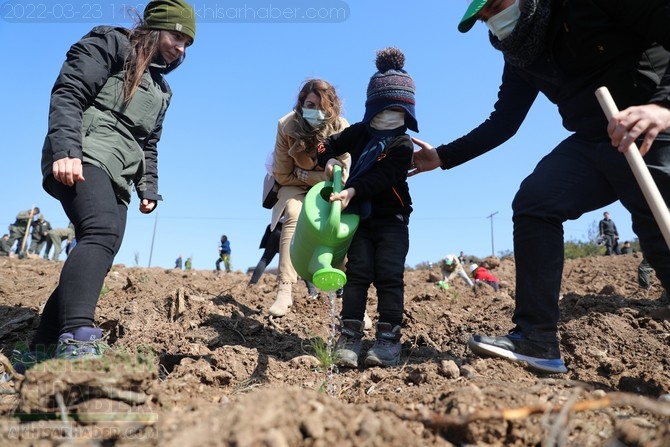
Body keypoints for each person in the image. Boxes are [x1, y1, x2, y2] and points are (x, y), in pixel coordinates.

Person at [409, 0, 670, 374]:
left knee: (657, 221)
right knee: (535, 201)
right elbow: (503, 122)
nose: (494, 20)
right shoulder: (520, 50)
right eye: (485, 17)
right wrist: (443, 157)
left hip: (652, 124)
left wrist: (662, 107)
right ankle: (536, 338)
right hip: (593, 139)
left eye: (497, 6)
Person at [14, 0, 196, 370]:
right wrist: (66, 148)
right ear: (156, 27)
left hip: (121, 174)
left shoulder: (162, 90)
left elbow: (149, 144)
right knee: (99, 231)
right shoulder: (112, 43)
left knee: (102, 248)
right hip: (84, 152)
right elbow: (69, 91)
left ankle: (40, 349)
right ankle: (79, 335)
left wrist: (148, 188)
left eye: (187, 43)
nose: (181, 47)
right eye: (177, 36)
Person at [318, 47, 417, 368]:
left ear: (407, 111)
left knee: (389, 275)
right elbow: (324, 144)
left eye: (398, 110)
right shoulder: (360, 133)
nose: (391, 115)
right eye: (384, 109)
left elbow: (385, 175)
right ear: (372, 108)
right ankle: (349, 337)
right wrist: (329, 158)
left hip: (392, 219)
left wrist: (352, 190)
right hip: (358, 219)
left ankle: (388, 341)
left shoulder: (402, 143)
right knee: (357, 274)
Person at [267, 79, 350, 317]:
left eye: (322, 106)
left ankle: (349, 297)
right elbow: (282, 174)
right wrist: (314, 177)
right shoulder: (286, 126)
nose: (315, 111)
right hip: (293, 187)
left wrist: (305, 174)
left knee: (340, 224)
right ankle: (284, 289)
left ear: (332, 107)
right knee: (293, 213)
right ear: (301, 104)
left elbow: (341, 176)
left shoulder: (342, 128)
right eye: (310, 104)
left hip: (328, 190)